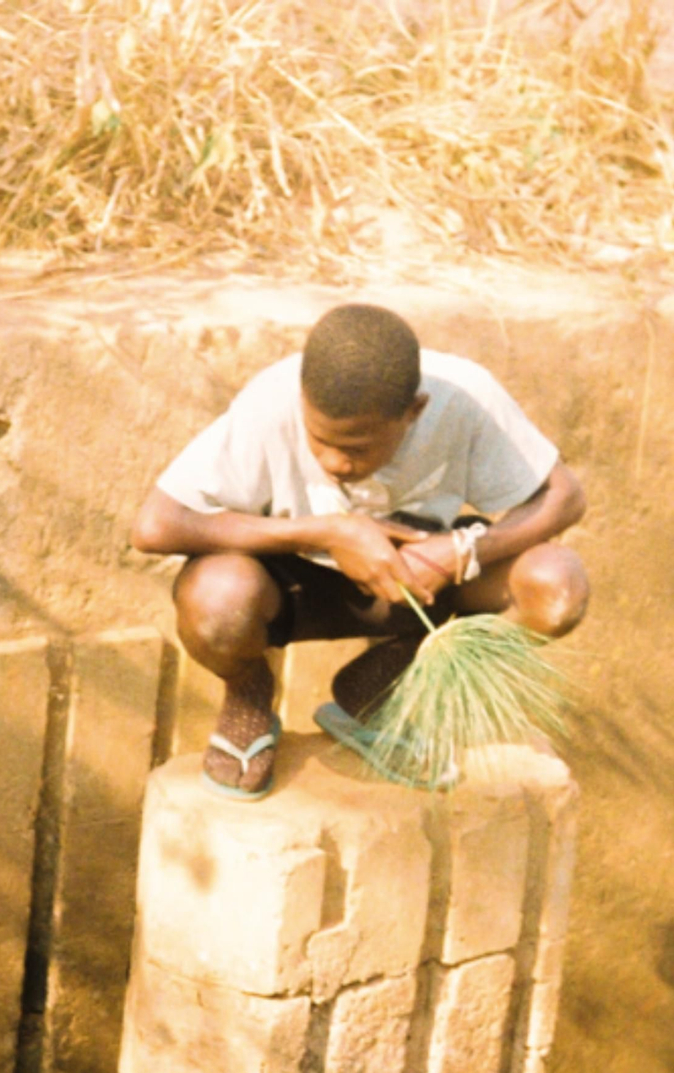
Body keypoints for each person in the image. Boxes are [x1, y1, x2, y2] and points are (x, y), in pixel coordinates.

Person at [130, 302, 589, 798]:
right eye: (318, 439)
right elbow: (156, 525)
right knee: (215, 600)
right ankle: (249, 694)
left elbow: (565, 495)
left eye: (357, 447)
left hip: (417, 583)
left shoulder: (466, 398)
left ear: (414, 410)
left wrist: (460, 550)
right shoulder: (272, 399)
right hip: (292, 583)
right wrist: (328, 533)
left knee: (555, 586)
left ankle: (385, 691)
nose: (334, 462)